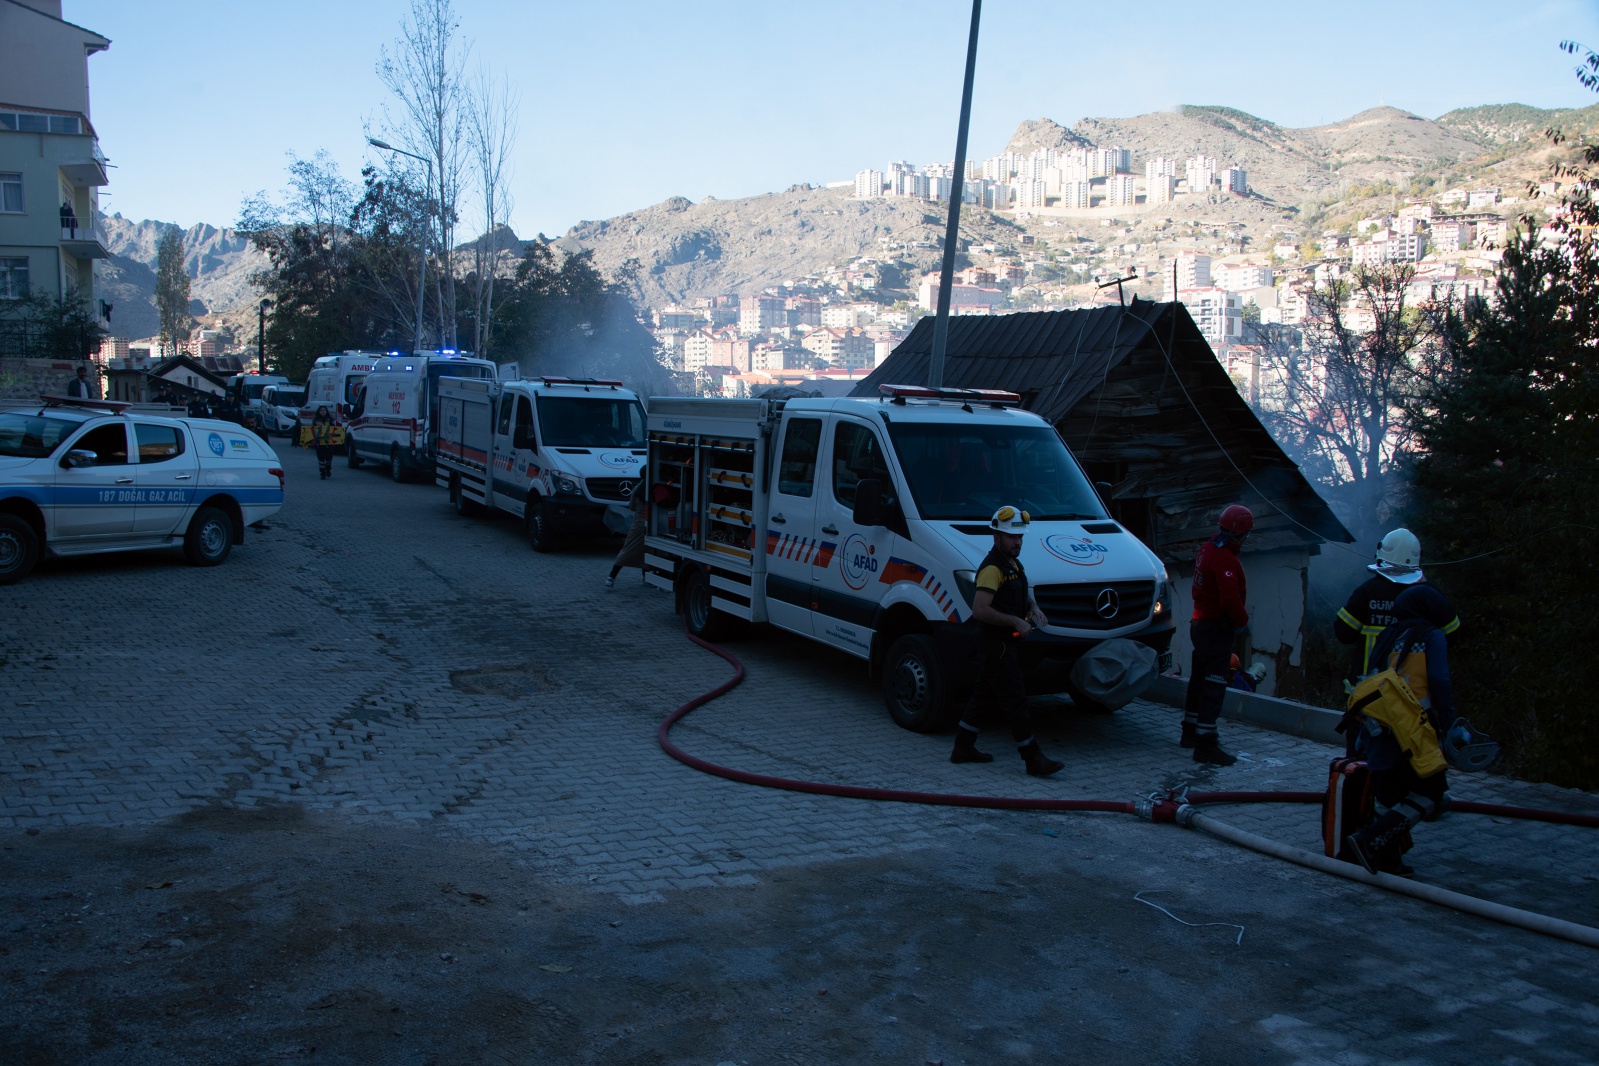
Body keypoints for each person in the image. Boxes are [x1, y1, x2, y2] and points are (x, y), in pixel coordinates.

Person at [1342, 584, 1463, 875]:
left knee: (1389, 793)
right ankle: (1370, 840)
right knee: (1431, 792)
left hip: (1381, 728)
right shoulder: (1430, 636)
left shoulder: (1388, 635)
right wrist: (1448, 722)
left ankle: (1386, 858)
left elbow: (1370, 679)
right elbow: (1439, 679)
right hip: (1414, 729)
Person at [950, 505, 1064, 777]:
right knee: (1015, 700)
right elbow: (980, 609)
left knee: (983, 694)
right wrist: (1015, 621)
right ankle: (1032, 758)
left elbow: (1019, 592)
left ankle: (962, 748)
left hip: (1002, 644)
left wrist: (1033, 607)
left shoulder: (1012, 563)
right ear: (996, 537)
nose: (1018, 542)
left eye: (1020, 537)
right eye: (1012, 537)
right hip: (996, 645)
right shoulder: (992, 568)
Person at [1335, 528, 1459, 688]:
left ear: (1381, 553)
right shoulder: (1430, 595)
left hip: (1367, 692)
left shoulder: (1367, 591)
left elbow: (1343, 634)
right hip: (1413, 697)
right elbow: (1453, 635)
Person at [1182, 504, 1254, 766]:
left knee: (1199, 680)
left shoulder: (1208, 548)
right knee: (1214, 684)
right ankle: (1206, 745)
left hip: (1200, 624)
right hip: (1215, 627)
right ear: (1241, 534)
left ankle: (1189, 731)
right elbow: (1229, 598)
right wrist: (1242, 622)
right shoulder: (1224, 558)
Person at [606, 468, 648, 589]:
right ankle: (647, 577)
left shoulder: (637, 489)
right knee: (649, 552)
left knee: (627, 550)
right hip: (655, 526)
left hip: (639, 524)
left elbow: (632, 507)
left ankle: (612, 577)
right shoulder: (655, 489)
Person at [309, 406, 337, 480]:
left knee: (329, 458)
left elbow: (334, 429)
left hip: (329, 442)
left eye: (324, 410)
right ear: (319, 411)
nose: (322, 411)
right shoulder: (315, 420)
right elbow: (312, 430)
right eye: (321, 410)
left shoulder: (330, 420)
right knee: (321, 459)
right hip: (319, 443)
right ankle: (322, 473)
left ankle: (328, 468)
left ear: (326, 411)